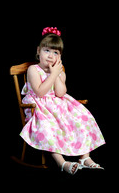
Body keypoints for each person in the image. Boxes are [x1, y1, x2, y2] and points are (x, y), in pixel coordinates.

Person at [20, 27, 106, 175]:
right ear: (38, 50)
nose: (50, 56)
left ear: (60, 57)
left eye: (56, 53)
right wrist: (53, 75)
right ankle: (62, 162)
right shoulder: (33, 70)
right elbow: (40, 92)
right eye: (47, 50)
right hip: (39, 108)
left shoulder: (59, 71)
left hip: (59, 106)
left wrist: (57, 73)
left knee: (82, 118)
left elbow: (60, 92)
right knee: (48, 127)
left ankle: (85, 158)